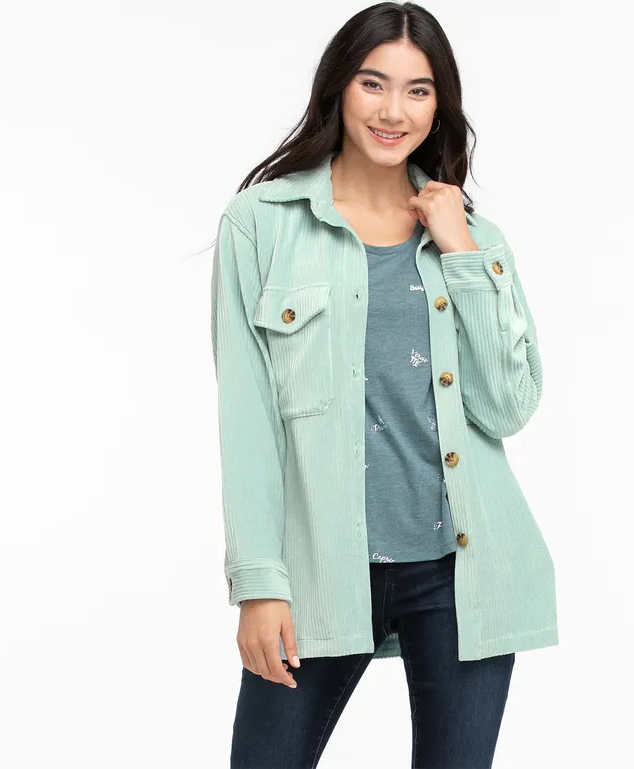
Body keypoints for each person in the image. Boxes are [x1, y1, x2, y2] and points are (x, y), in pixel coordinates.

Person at [210, 3, 559, 767]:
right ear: (339, 87)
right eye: (374, 83)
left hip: (460, 573)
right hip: (319, 570)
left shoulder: (475, 238)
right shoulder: (261, 223)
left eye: (418, 90)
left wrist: (461, 252)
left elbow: (508, 405)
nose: (393, 110)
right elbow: (247, 420)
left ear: (440, 106)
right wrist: (259, 584)